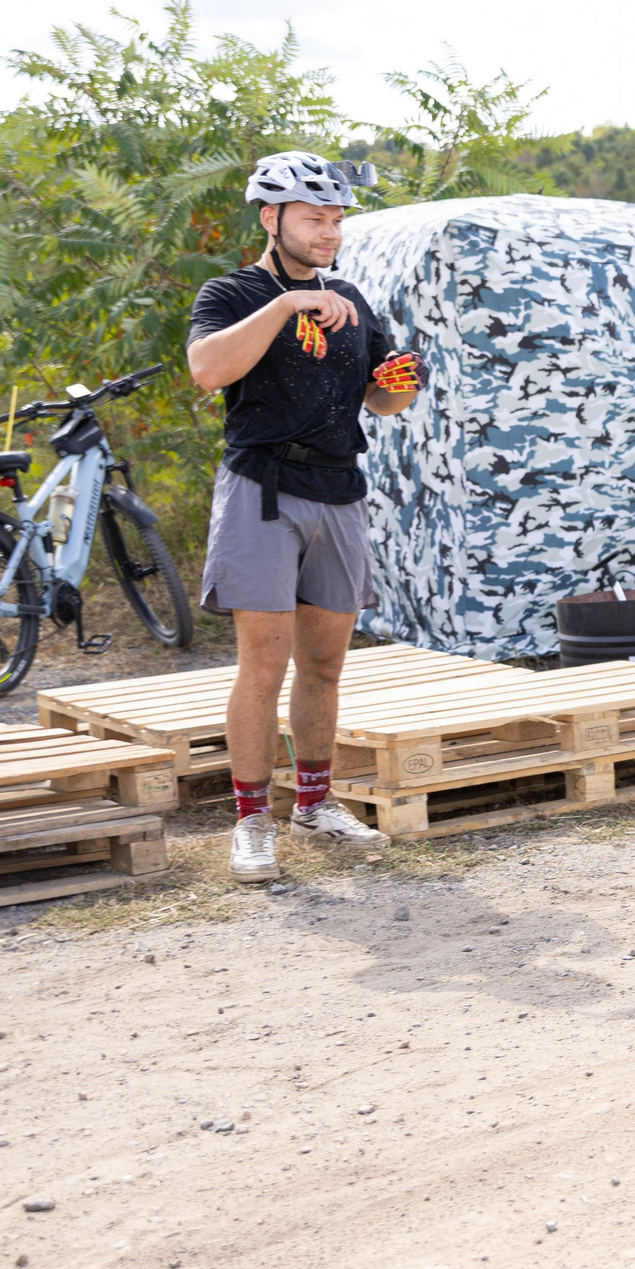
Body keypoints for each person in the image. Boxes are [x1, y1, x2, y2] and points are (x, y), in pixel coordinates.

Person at [186, 151, 420, 883]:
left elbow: (379, 400)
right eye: (315, 218)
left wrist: (397, 387)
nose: (330, 231)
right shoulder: (232, 292)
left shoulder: (350, 299)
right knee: (264, 664)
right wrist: (287, 305)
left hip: (340, 490)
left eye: (337, 218)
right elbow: (208, 369)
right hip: (263, 488)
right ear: (271, 217)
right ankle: (251, 820)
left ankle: (315, 803)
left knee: (323, 663)